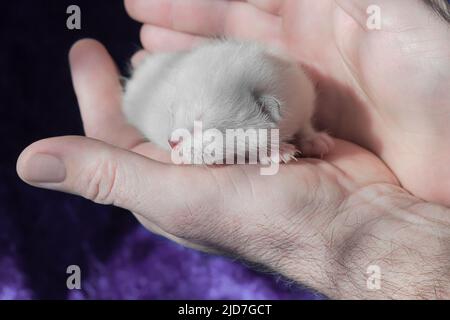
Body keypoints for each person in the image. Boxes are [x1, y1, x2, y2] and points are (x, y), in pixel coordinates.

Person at [17, 0, 450, 298]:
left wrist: (300, 136)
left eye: (204, 131)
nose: (178, 145)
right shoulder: (201, 88)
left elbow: (287, 116)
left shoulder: (285, 97)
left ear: (270, 113)